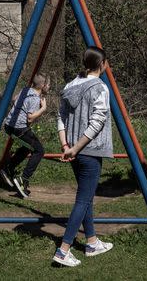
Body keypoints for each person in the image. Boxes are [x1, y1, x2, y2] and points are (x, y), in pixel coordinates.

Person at [52, 46, 115, 267]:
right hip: (89, 150)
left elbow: (60, 117)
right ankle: (63, 250)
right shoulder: (100, 87)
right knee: (83, 199)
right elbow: (97, 122)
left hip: (74, 150)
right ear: (102, 64)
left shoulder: (70, 85)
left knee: (85, 197)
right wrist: (76, 147)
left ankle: (92, 242)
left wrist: (66, 145)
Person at [0, 73, 51, 199]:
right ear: (43, 86)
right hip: (19, 128)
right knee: (39, 151)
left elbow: (14, 99)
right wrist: (43, 108)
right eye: (48, 85)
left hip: (8, 125)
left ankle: (8, 169)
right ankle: (23, 179)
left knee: (29, 147)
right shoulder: (34, 98)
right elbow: (30, 118)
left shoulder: (26, 90)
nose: (49, 87)